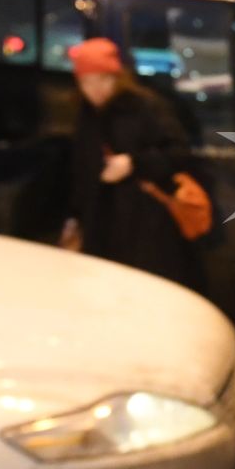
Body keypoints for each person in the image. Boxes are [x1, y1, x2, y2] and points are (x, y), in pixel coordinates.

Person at [61, 38, 203, 292]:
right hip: (99, 224)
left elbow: (179, 152)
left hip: (145, 225)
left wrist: (134, 163)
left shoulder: (144, 107)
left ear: (117, 76)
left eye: (103, 80)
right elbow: (80, 170)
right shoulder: (86, 114)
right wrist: (74, 217)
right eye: (87, 82)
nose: (96, 90)